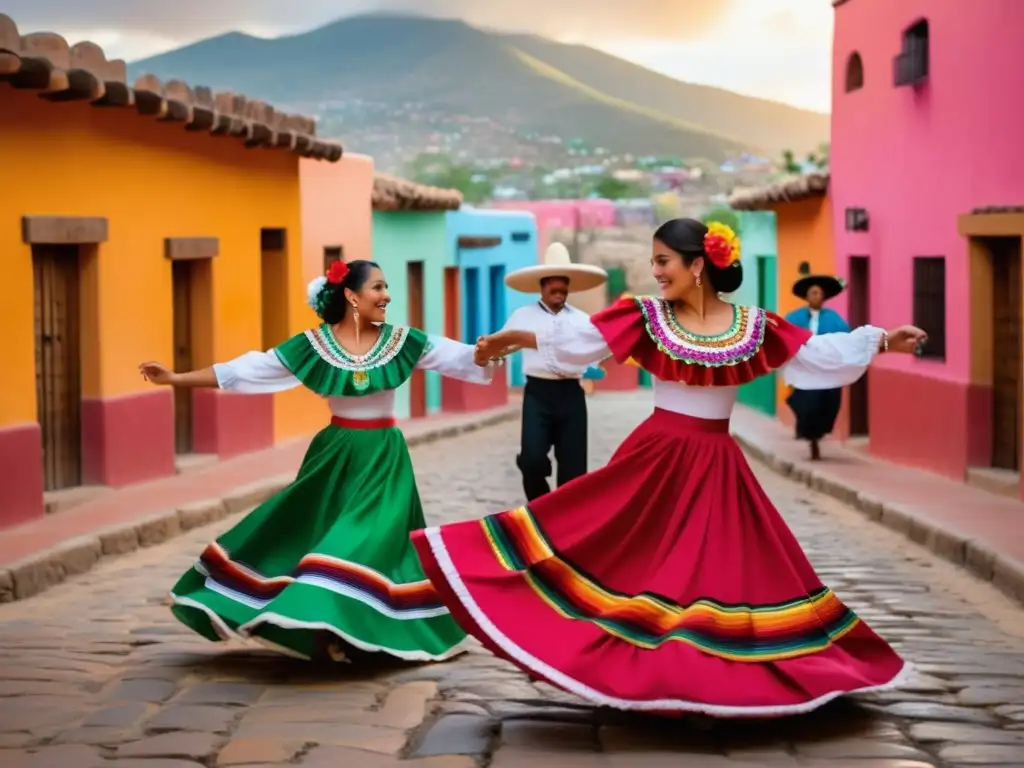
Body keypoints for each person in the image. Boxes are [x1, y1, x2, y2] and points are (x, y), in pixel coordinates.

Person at [412, 219, 924, 717]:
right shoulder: (646, 317)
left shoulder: (754, 326)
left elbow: (814, 356)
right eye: (653, 262)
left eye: (663, 261)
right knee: (616, 548)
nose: (655, 271)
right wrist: (518, 339)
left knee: (722, 569)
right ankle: (610, 647)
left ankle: (712, 666)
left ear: (697, 264)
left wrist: (880, 340)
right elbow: (579, 342)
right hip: (656, 459)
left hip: (717, 462)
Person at [138, 259, 499, 664]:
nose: (387, 296)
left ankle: (353, 629)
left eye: (386, 287)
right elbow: (248, 369)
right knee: (321, 537)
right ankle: (326, 630)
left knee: (365, 540)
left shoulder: (402, 341)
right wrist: (176, 379)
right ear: (351, 296)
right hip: (335, 456)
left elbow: (460, 357)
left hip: (383, 457)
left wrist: (485, 352)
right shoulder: (314, 346)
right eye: (378, 288)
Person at [501, 242, 608, 500]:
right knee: (532, 461)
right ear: (542, 286)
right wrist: (486, 355)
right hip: (537, 393)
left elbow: (597, 351)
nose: (560, 294)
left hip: (571, 394)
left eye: (564, 289)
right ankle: (540, 507)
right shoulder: (522, 316)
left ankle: (564, 522)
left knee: (574, 473)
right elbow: (501, 345)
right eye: (554, 288)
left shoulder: (582, 321)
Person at [785, 272, 851, 460]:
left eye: (819, 293)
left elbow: (844, 339)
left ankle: (818, 434)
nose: (816, 296)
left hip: (826, 370)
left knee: (829, 404)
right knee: (806, 404)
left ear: (824, 297)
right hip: (805, 370)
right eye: (813, 293)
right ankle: (811, 438)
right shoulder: (794, 317)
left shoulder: (834, 319)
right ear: (806, 296)